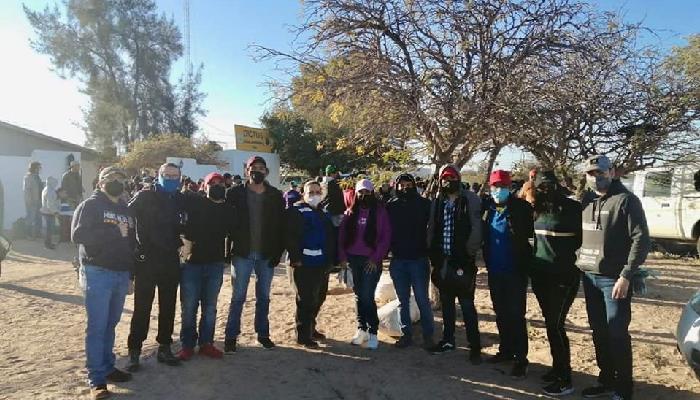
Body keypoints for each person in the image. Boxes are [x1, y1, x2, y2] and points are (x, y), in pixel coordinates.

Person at [577, 155, 650, 400]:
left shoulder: (627, 200)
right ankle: (606, 379)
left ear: (612, 172)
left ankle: (624, 388)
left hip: (614, 280)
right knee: (598, 331)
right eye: (591, 173)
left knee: (617, 333)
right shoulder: (586, 200)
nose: (596, 177)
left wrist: (627, 275)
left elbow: (641, 239)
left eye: (600, 172)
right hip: (589, 277)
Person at [72, 166, 135, 400]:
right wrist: (113, 232)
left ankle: (108, 367)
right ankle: (96, 379)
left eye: (120, 178)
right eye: (110, 178)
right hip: (97, 272)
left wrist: (130, 275)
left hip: (120, 273)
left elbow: (129, 243)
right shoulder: (90, 205)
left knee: (111, 324)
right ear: (100, 183)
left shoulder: (125, 209)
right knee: (97, 327)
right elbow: (78, 236)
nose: (116, 181)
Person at [126, 163, 184, 371]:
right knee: (142, 307)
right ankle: (134, 351)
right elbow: (126, 216)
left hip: (170, 259)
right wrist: (135, 247)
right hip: (147, 260)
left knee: (168, 306)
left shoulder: (178, 198)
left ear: (179, 178)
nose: (170, 179)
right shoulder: (145, 196)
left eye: (174, 176)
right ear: (158, 176)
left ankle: (165, 347)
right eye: (166, 175)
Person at [224, 156, 285, 352]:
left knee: (263, 297)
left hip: (266, 254)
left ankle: (263, 334)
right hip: (242, 252)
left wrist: (278, 252)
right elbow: (227, 224)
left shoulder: (275, 195)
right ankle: (231, 336)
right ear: (246, 171)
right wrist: (228, 250)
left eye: (261, 168)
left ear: (266, 172)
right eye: (253, 168)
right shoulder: (234, 194)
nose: (257, 171)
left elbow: (279, 226)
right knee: (238, 296)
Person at [529, 171, 582, 396]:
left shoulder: (572, 209)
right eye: (541, 187)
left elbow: (582, 240)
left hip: (564, 277)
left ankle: (565, 378)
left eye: (549, 186)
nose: (545, 190)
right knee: (550, 325)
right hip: (541, 276)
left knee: (556, 325)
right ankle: (556, 368)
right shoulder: (537, 210)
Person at [426, 164, 483, 364]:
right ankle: (448, 340)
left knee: (467, 305)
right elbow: (432, 227)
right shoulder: (438, 201)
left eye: (451, 178)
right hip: (443, 261)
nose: (447, 182)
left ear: (458, 179)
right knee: (447, 304)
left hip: (463, 262)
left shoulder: (470, 199)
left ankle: (474, 346)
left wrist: (469, 253)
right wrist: (432, 253)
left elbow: (477, 228)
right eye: (444, 178)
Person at [177, 172, 235, 361]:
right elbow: (180, 198)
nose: (217, 185)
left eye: (220, 182)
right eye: (212, 182)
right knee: (189, 307)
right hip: (192, 264)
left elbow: (234, 231)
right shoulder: (196, 203)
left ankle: (206, 344)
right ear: (204, 186)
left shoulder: (227, 209)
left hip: (215, 264)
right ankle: (187, 345)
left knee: (210, 307)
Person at [482, 169, 533, 378]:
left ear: (510, 187)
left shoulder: (521, 208)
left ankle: (521, 359)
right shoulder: (489, 208)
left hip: (515, 272)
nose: (498, 190)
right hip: (495, 271)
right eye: (495, 186)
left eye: (502, 186)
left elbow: (530, 237)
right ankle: (506, 350)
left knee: (516, 316)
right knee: (500, 313)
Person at [338, 179, 391, 350]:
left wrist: (375, 259)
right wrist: (343, 258)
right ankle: (361, 329)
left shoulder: (380, 212)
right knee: (358, 295)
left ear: (372, 193)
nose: (363, 195)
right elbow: (342, 237)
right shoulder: (349, 213)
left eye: (367, 192)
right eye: (360, 192)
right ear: (356, 193)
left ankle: (373, 331)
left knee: (367, 296)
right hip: (353, 259)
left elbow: (385, 238)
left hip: (370, 262)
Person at [285, 180, 336, 348]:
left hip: (321, 264)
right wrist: (295, 258)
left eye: (317, 191)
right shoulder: (296, 211)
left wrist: (331, 260)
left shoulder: (323, 213)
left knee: (319, 297)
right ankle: (303, 335)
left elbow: (329, 237)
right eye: (310, 192)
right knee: (305, 299)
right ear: (303, 194)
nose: (314, 195)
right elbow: (290, 236)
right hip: (303, 263)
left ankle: (311, 328)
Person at [386, 173, 434, 349]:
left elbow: (433, 228)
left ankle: (428, 335)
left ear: (414, 185)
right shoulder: (391, 206)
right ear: (396, 186)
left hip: (419, 260)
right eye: (401, 185)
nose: (405, 188)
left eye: (408, 185)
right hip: (398, 260)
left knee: (422, 300)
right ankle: (406, 335)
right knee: (402, 300)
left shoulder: (424, 205)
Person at [23, 161, 43, 239]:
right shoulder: (28, 177)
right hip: (32, 201)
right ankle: (28, 235)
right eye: (39, 167)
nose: (40, 169)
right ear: (34, 168)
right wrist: (29, 201)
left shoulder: (37, 177)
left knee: (38, 218)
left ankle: (38, 234)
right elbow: (27, 190)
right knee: (30, 218)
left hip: (39, 200)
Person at [40, 176, 60, 249]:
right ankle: (48, 244)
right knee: (49, 229)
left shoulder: (47, 189)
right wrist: (55, 212)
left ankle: (48, 243)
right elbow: (50, 204)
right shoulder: (50, 191)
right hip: (49, 212)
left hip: (47, 211)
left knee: (49, 229)